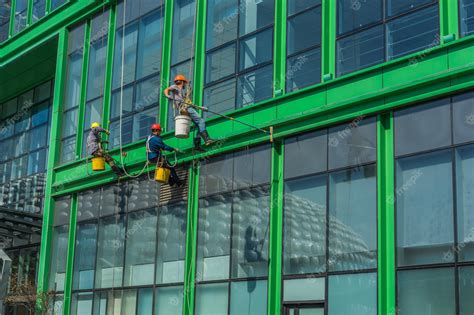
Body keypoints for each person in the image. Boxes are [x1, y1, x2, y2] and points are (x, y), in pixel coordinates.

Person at [164, 74, 215, 152]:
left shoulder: (182, 94)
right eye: (184, 83)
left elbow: (189, 103)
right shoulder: (175, 87)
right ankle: (207, 139)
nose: (185, 85)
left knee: (199, 125)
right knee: (201, 121)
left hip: (186, 107)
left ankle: (197, 145)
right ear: (182, 82)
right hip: (186, 108)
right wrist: (167, 95)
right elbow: (166, 89)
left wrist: (201, 108)